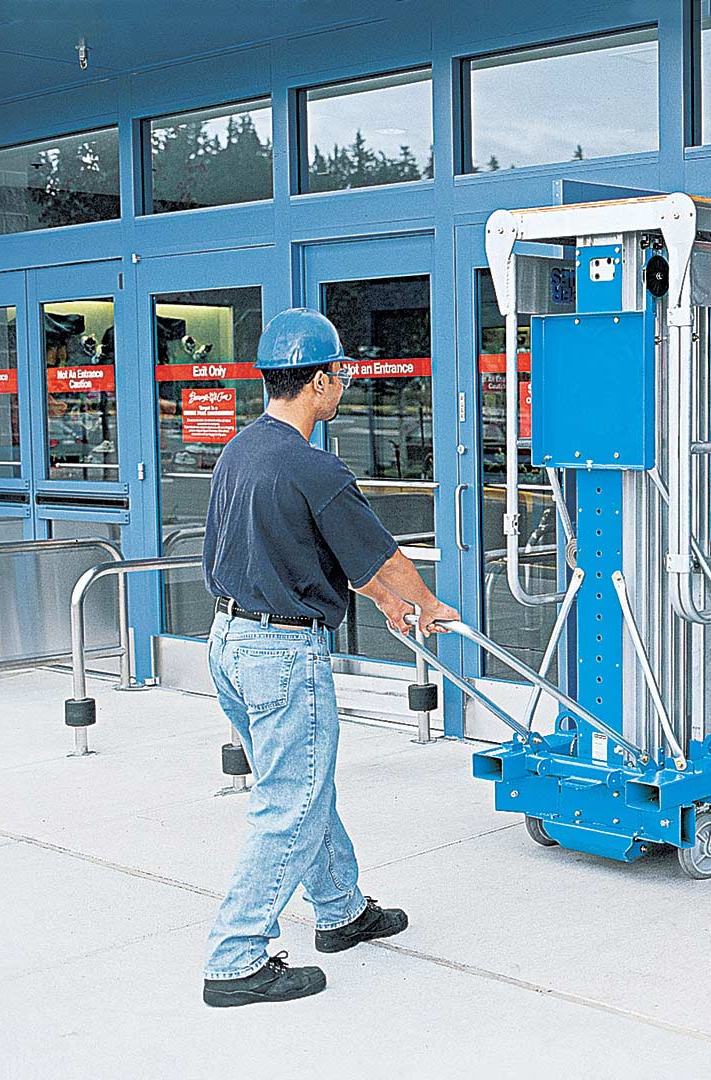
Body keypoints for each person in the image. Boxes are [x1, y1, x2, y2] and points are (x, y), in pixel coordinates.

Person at [199, 308, 459, 1008]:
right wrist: (426, 604)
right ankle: (234, 958)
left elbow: (321, 554)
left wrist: (384, 602)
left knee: (302, 785)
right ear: (318, 381)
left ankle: (340, 909)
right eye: (340, 372)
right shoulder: (313, 466)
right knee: (291, 800)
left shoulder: (241, 451)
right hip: (282, 653)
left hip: (229, 642)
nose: (343, 383)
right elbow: (382, 557)